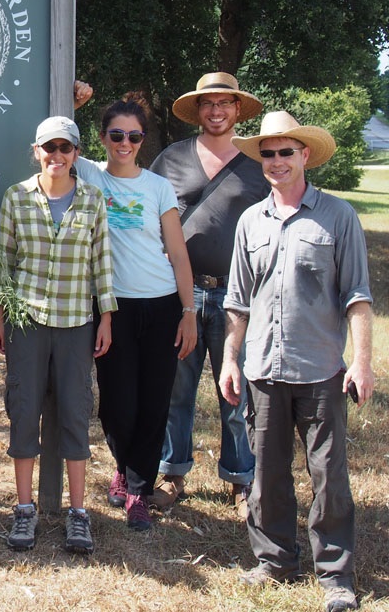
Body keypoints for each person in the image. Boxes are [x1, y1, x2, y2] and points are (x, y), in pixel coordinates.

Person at [219, 111, 374, 612]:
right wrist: (229, 360)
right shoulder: (249, 221)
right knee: (267, 474)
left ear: (305, 155)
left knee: (328, 475)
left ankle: (335, 575)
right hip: (262, 367)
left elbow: (357, 296)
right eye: (269, 152)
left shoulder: (338, 216)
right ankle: (274, 561)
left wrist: (362, 362)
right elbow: (237, 302)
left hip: (322, 368)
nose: (277, 161)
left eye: (287, 151)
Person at [0, 116, 116, 554]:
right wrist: (3, 316)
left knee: (74, 413)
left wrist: (106, 316)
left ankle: (77, 514)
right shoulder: (17, 198)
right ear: (37, 151)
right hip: (26, 321)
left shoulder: (93, 200)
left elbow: (101, 262)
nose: (57, 156)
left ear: (77, 153)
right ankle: (24, 510)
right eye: (50, 148)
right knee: (24, 409)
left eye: (66, 148)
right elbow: (5, 262)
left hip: (76, 322)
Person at [147, 72, 268, 516]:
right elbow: (146, 213)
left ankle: (240, 478)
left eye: (225, 104)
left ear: (238, 110)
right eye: (208, 104)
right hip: (182, 293)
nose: (216, 112)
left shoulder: (257, 163)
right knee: (176, 388)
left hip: (239, 296)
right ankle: (172, 473)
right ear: (197, 111)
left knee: (236, 390)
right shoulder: (173, 158)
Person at [74, 94, 197, 531]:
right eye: (116, 135)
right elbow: (53, 137)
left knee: (154, 401)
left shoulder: (157, 186)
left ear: (142, 140)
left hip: (162, 305)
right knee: (116, 406)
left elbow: (178, 254)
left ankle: (137, 491)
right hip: (113, 308)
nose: (124, 143)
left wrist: (188, 311)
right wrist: (71, 96)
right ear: (103, 137)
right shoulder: (88, 174)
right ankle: (126, 466)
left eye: (133, 136)